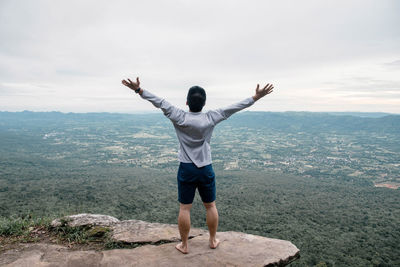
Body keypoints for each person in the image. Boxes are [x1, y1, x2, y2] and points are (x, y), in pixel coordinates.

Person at [122, 77, 274, 254]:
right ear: (204, 103)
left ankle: (184, 245)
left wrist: (139, 90)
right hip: (205, 167)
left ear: (187, 102)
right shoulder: (210, 117)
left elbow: (159, 102)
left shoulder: (179, 116)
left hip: (186, 168)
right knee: (210, 206)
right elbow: (234, 107)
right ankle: (212, 240)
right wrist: (255, 97)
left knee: (185, 208)